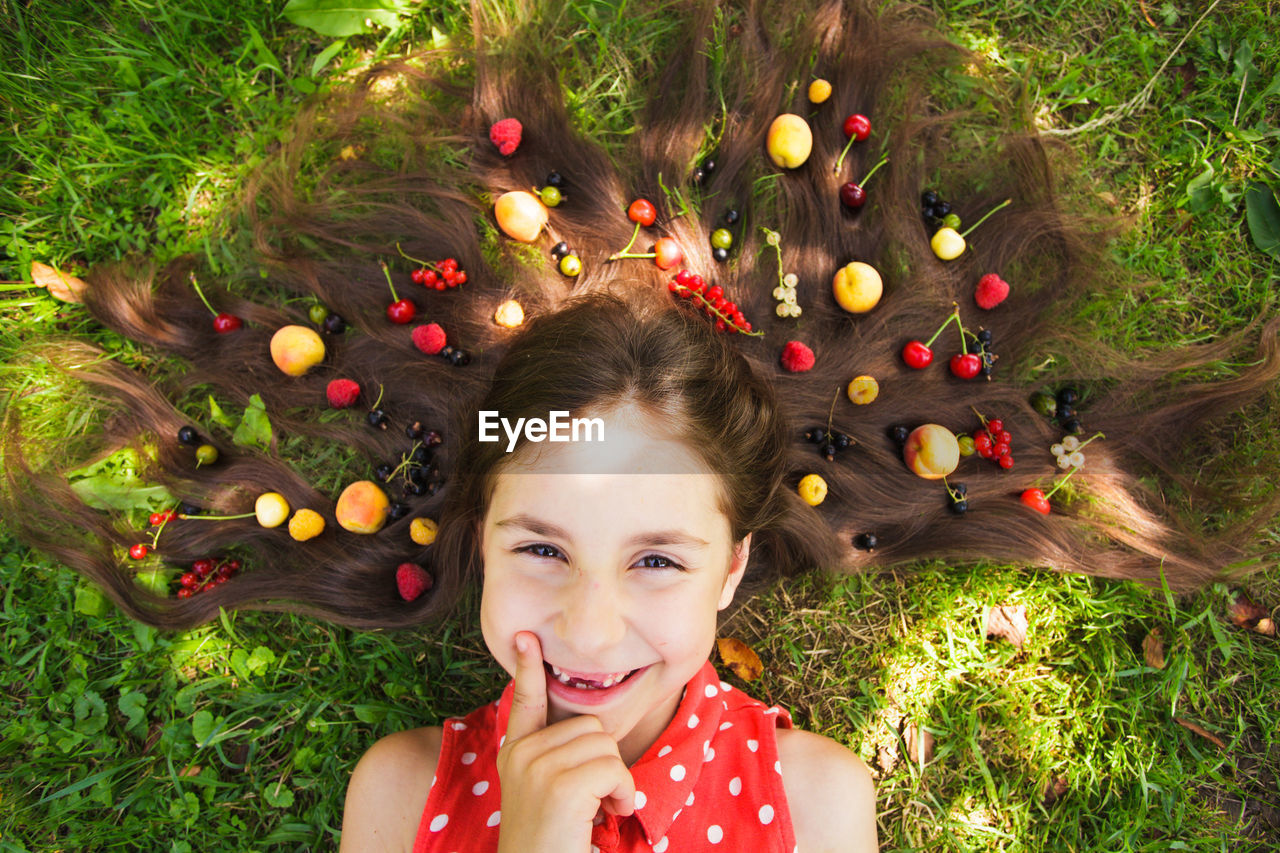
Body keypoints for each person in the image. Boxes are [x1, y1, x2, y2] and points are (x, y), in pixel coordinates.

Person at [339, 294, 877, 852]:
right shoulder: (400, 793)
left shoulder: (816, 804)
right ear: (483, 543)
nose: (590, 635)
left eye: (657, 561)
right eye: (543, 550)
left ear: (731, 569)